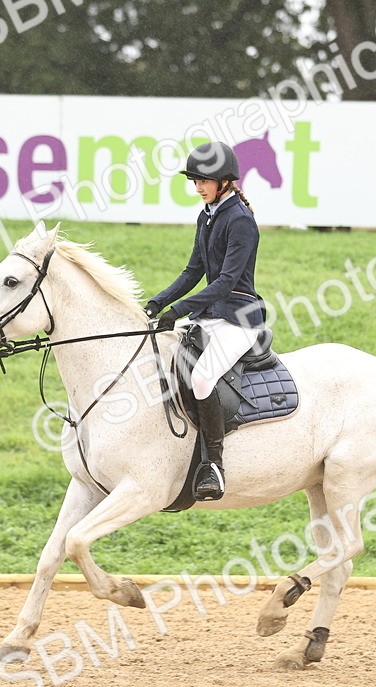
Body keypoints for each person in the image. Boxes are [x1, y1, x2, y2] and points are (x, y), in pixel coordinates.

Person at [144, 141, 265, 502]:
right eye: (195, 180)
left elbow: (227, 281)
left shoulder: (241, 221)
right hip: (212, 314)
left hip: (240, 318)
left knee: (201, 376)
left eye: (204, 180)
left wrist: (179, 311)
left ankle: (213, 462)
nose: (198, 187)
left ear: (224, 181)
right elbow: (193, 270)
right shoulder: (207, 215)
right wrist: (157, 302)